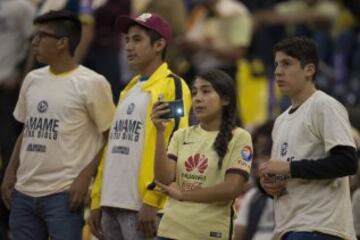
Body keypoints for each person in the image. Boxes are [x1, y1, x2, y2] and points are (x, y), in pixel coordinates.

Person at [0, 10, 115, 240]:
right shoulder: (32, 79)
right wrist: (10, 172)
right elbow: (27, 131)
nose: (34, 42)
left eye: (42, 36)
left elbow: (110, 135)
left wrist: (86, 176)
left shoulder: (92, 83)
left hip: (63, 195)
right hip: (23, 192)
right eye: (34, 36)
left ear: (62, 43)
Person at [88, 13, 191, 240]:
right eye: (126, 40)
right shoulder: (129, 89)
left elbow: (174, 144)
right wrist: (97, 199)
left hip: (141, 206)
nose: (128, 47)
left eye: (137, 40)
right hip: (110, 203)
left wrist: (152, 199)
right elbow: (111, 147)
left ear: (159, 44)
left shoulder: (172, 85)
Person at [259, 37, 358, 240]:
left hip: (320, 228)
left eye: (286, 63)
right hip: (289, 227)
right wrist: (268, 185)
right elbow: (288, 175)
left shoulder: (324, 106)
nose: (278, 71)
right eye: (276, 64)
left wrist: (288, 168)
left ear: (309, 70)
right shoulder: (280, 121)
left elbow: (348, 162)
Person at [151, 69, 253, 240]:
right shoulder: (180, 135)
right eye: (194, 92)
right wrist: (160, 132)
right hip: (168, 231)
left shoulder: (240, 137)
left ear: (226, 99)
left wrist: (184, 195)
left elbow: (231, 189)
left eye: (206, 91)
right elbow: (163, 179)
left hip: (209, 234)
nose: (197, 98)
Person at [234, 120, 275, 240]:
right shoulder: (253, 196)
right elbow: (237, 234)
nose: (258, 161)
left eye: (265, 153)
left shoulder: (296, 193)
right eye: (257, 154)